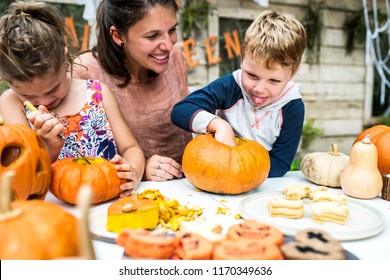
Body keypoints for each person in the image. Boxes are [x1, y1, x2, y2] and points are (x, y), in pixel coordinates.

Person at [0, 0, 145, 196]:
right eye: (28, 96)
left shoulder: (97, 94)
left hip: (109, 201)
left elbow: (130, 148)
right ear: (7, 82)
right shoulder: (11, 103)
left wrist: (133, 172)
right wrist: (48, 146)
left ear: (65, 59)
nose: (44, 102)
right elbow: (23, 176)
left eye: (54, 88)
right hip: (53, 212)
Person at [171, 10, 307, 177]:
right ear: (242, 58)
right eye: (252, 75)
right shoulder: (230, 86)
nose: (259, 89)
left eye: (274, 81)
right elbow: (181, 110)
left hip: (257, 183)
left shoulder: (293, 106)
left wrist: (238, 171)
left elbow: (280, 163)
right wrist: (219, 125)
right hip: (215, 171)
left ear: (293, 74)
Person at [73, 0, 193, 181]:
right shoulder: (84, 73)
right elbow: (76, 162)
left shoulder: (175, 56)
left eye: (172, 30)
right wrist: (139, 169)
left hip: (189, 186)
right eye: (153, 36)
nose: (168, 45)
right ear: (118, 36)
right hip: (126, 195)